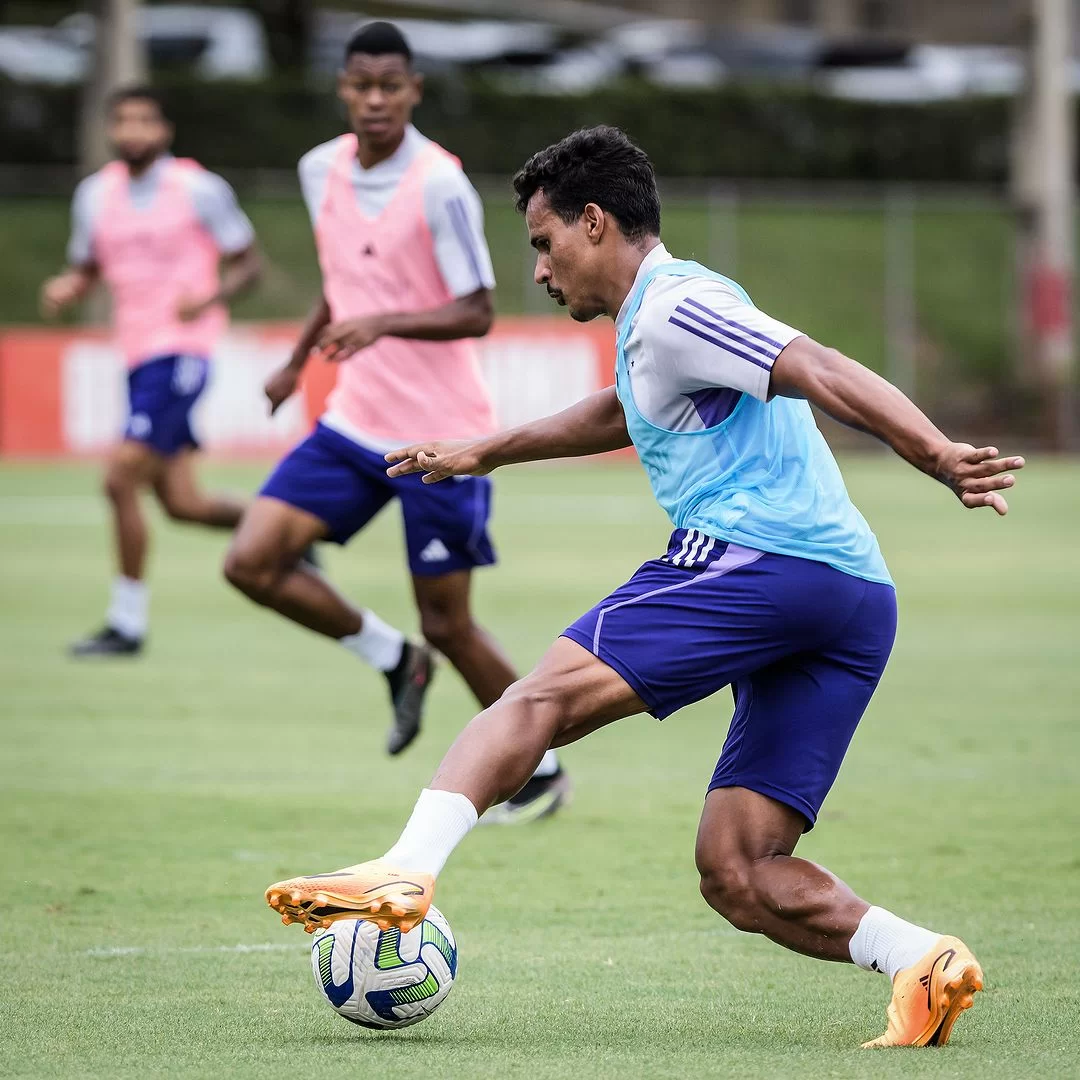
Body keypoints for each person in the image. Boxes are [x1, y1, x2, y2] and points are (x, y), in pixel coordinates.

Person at [265, 126, 1027, 1047]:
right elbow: (621, 408)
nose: (541, 272)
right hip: (851, 597)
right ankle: (919, 959)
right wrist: (488, 450)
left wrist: (936, 453)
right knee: (738, 870)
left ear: (595, 223)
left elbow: (816, 366)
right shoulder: (653, 328)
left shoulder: (679, 303)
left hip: (762, 561)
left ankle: (405, 870)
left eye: (544, 245)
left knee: (537, 697)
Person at [222, 22, 568, 818]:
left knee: (449, 623)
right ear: (343, 89)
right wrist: (297, 359)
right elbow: (343, 280)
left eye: (391, 86)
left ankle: (540, 769)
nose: (374, 99)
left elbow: (477, 310)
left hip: (440, 437)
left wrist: (382, 324)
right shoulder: (320, 170)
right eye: (360, 85)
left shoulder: (439, 183)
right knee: (251, 561)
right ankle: (390, 659)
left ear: (413, 91)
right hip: (353, 420)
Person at [41, 86, 262, 657]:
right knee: (183, 503)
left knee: (118, 480)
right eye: (123, 122)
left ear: (163, 130)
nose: (133, 131)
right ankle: (282, 529)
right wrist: (70, 285)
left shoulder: (198, 188)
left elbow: (248, 264)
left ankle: (126, 623)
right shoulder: (95, 195)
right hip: (137, 356)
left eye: (144, 120)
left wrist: (210, 296)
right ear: (112, 131)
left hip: (183, 353)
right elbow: (86, 265)